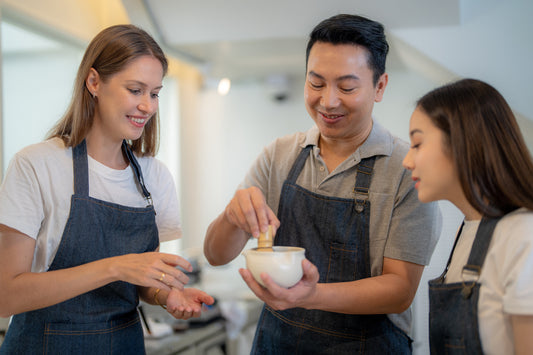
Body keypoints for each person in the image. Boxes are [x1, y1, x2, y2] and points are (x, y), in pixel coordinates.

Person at [204, 14, 441, 354]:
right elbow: (216, 255)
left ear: (380, 86)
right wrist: (231, 215)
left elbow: (400, 290)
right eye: (316, 84)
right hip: (277, 342)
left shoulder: (405, 168)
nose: (328, 101)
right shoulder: (279, 155)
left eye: (346, 87)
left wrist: (312, 296)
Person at [0, 24, 214, 354]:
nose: (148, 106)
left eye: (154, 93)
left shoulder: (153, 177)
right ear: (94, 81)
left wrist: (166, 295)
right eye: (135, 90)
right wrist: (113, 266)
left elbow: (141, 282)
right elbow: (6, 295)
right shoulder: (36, 165)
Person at [402, 78, 533, 354]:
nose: (407, 160)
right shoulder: (469, 229)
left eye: (417, 144)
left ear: (462, 141)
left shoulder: (523, 236)